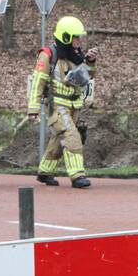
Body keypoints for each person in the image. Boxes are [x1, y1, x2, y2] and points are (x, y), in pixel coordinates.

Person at [27, 16, 98, 189]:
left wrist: (90, 62)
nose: (80, 40)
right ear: (66, 37)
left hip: (74, 106)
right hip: (56, 106)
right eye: (76, 37)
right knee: (71, 136)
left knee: (58, 141)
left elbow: (86, 77)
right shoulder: (47, 55)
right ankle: (77, 175)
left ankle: (45, 172)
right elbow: (38, 82)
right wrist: (33, 108)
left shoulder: (77, 55)